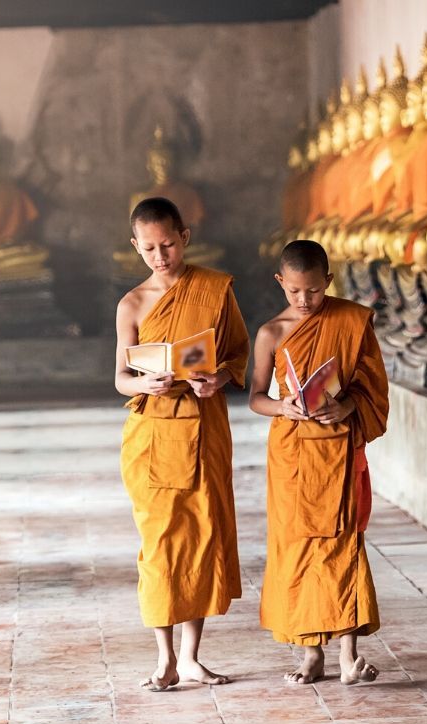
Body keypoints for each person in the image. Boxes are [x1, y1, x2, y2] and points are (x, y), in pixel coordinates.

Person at [115, 197, 249, 691]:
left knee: (200, 538)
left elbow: (237, 353)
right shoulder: (131, 304)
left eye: (167, 244)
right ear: (135, 246)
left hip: (205, 426)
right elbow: (121, 378)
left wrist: (218, 378)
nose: (160, 256)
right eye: (148, 248)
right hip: (154, 436)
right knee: (160, 545)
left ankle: (191, 658)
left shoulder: (214, 290)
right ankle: (164, 658)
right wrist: (144, 384)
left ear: (185, 236)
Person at [249, 240, 389, 684]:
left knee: (341, 543)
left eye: (313, 290)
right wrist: (283, 407)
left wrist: (346, 407)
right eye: (294, 292)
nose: (305, 301)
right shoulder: (271, 333)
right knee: (296, 549)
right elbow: (255, 398)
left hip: (337, 448)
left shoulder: (351, 321)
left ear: (328, 281)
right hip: (291, 453)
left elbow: (373, 389)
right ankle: (311, 653)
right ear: (280, 283)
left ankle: (348, 656)